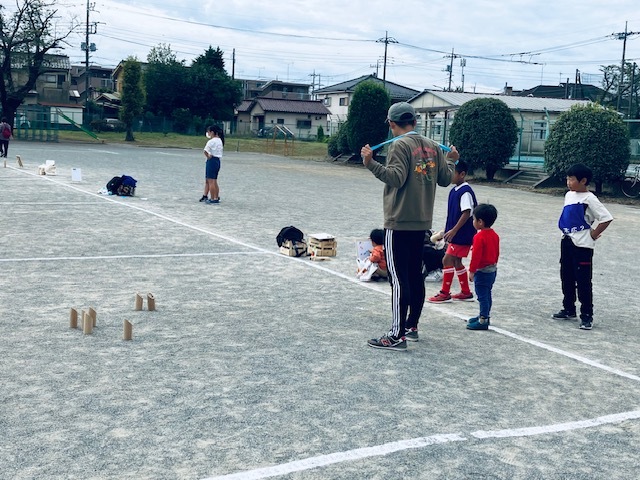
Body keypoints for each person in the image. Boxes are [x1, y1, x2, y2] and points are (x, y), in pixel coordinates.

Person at [361, 102, 458, 351]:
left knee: (398, 278)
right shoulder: (432, 146)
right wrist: (452, 161)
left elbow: (395, 177)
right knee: (415, 276)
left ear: (392, 124)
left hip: (399, 220)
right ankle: (411, 326)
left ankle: (396, 334)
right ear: (415, 122)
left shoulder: (399, 145)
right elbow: (446, 179)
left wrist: (370, 163)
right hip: (422, 222)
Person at [552, 163, 613, 330]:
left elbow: (606, 217)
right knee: (566, 276)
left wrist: (593, 234)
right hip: (567, 240)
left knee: (583, 281)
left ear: (583, 181)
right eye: (567, 178)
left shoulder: (590, 199)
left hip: (582, 245)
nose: (568, 182)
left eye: (571, 179)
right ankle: (568, 308)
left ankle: (587, 315)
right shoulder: (569, 195)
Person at [428, 159, 477, 303]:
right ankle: (466, 292)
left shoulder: (465, 192)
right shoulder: (455, 190)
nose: (450, 176)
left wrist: (454, 230)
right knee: (456, 262)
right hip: (457, 233)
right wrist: (446, 230)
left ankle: (445, 293)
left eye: (452, 173)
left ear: (462, 174)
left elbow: (466, 213)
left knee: (446, 259)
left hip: (462, 234)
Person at [466, 204, 500, 331]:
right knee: (487, 293)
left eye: (474, 219)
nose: (473, 222)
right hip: (492, 269)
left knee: (482, 295)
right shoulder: (494, 235)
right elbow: (496, 252)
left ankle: (483, 319)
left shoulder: (479, 237)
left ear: (480, 222)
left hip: (482, 270)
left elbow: (476, 257)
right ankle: (484, 315)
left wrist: (472, 271)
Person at [201, 125, 224, 204]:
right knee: (214, 181)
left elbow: (205, 151)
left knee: (210, 181)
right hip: (217, 161)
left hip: (212, 161)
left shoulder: (211, 141)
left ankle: (212, 198)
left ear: (212, 132)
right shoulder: (220, 140)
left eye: (209, 132)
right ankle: (216, 197)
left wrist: (208, 157)